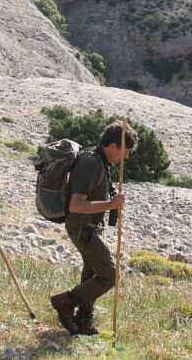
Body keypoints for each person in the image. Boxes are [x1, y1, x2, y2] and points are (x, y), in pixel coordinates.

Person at [50, 121, 137, 335]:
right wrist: (111, 204)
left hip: (90, 227)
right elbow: (76, 204)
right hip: (82, 228)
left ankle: (83, 321)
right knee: (109, 275)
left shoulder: (99, 160)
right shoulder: (91, 163)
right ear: (114, 146)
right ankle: (65, 301)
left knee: (92, 274)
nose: (125, 158)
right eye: (125, 152)